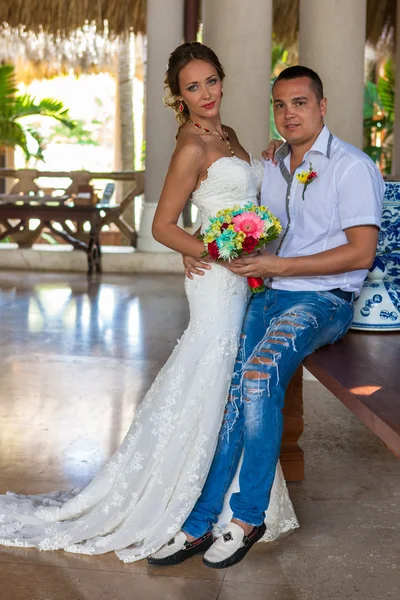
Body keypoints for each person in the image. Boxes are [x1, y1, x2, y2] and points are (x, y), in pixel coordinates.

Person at [0, 42, 298, 563]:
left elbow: (239, 199)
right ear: (178, 96)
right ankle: (185, 500)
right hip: (216, 277)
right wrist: (213, 249)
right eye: (192, 87)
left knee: (233, 377)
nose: (205, 93)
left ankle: (234, 504)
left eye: (211, 81)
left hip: (243, 274)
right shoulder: (191, 144)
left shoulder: (226, 135)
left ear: (222, 81)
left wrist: (268, 161)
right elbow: (162, 225)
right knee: (213, 372)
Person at [153, 65, 384, 570]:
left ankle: (247, 516)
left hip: (321, 301)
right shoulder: (274, 163)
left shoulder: (352, 165)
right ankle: (199, 523)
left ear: (322, 106)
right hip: (267, 293)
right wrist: (193, 247)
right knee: (236, 393)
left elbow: (362, 253)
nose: (288, 113)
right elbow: (220, 207)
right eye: (279, 104)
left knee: (257, 377)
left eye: (300, 102)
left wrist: (280, 265)